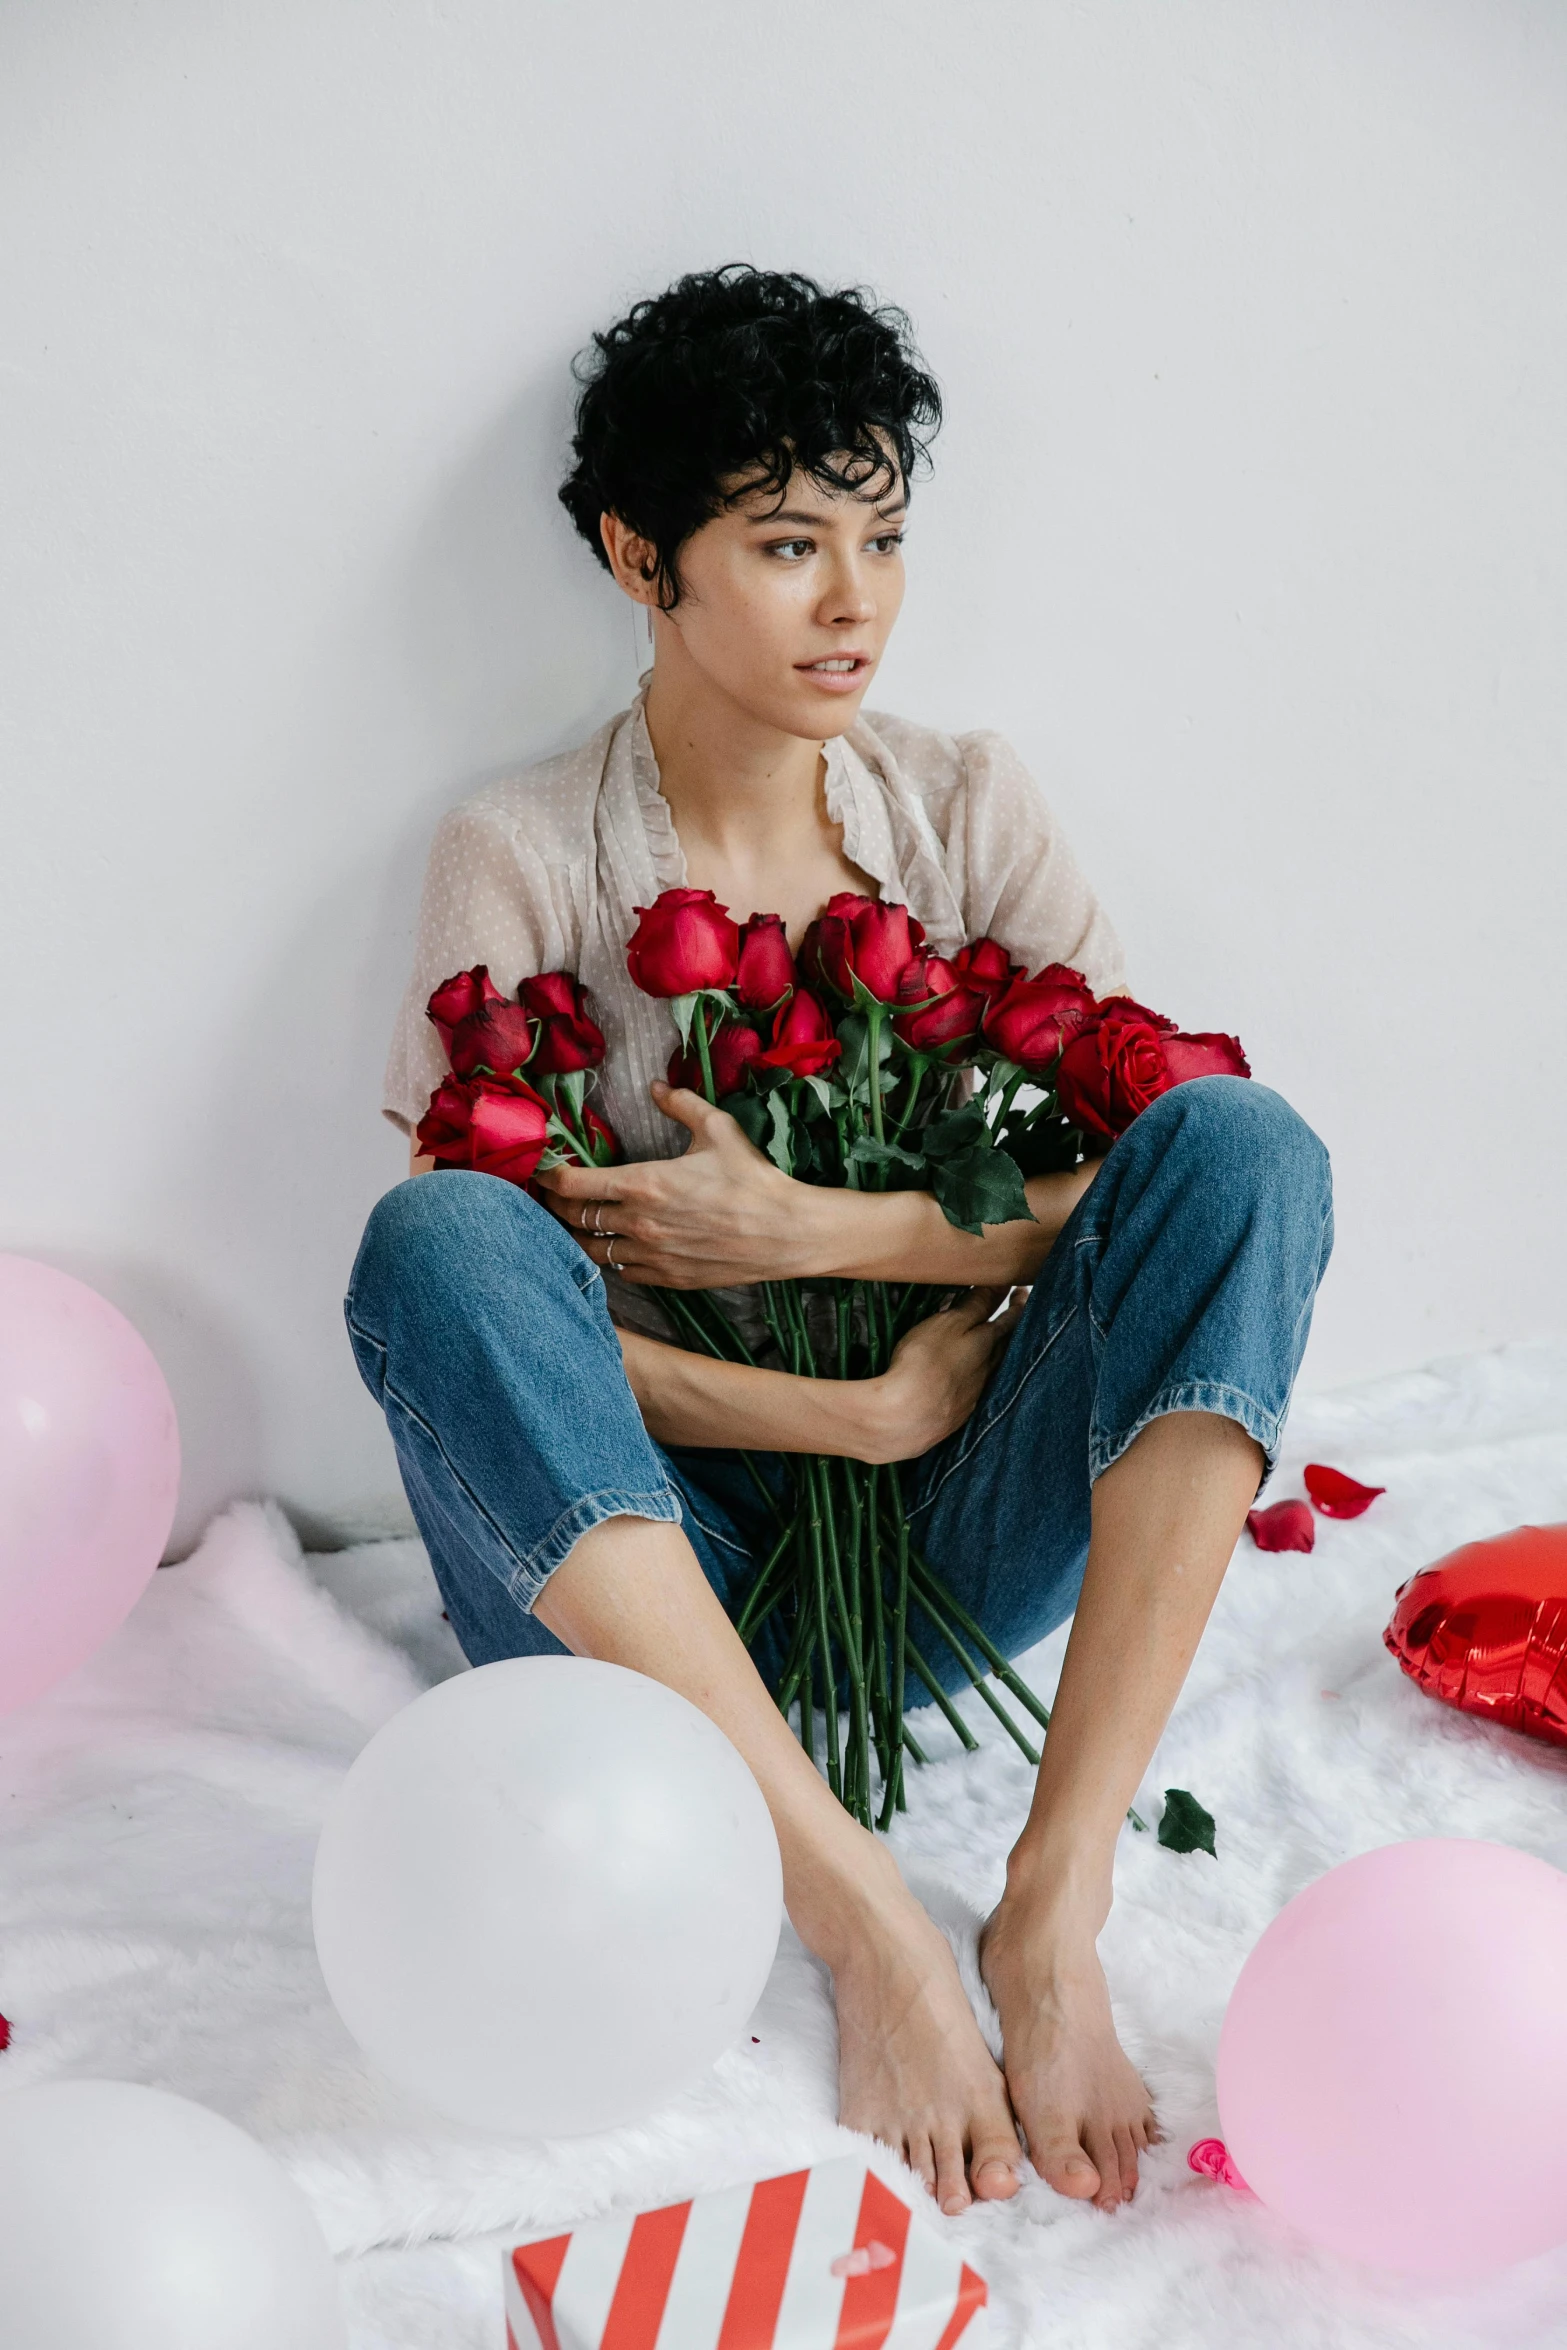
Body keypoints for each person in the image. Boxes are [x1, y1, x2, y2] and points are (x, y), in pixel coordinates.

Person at [348, 265, 1332, 2219]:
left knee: (1246, 1144)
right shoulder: (523, 849)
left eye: (881, 538)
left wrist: (830, 1224)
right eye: (788, 543)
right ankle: (864, 1914)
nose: (855, 598)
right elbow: (495, 1335)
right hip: (636, 1572)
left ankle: (1050, 1902)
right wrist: (847, 1421)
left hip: (952, 1551)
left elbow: (1139, 1184)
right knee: (435, 1237)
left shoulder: (963, 803)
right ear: (645, 555)